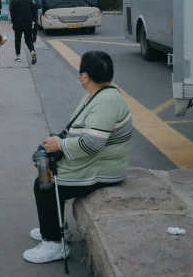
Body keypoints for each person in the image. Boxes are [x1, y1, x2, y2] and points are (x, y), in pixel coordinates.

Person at [23, 51, 133, 264]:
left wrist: (61, 144)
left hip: (104, 168)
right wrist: (58, 141)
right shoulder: (99, 93)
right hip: (97, 161)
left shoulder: (105, 101)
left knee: (45, 184)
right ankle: (56, 228)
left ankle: (54, 244)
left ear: (85, 76)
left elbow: (93, 143)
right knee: (47, 174)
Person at [10, 0, 37, 64]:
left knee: (17, 40)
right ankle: (32, 52)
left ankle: (18, 56)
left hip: (18, 23)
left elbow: (12, 15)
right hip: (28, 23)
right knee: (28, 40)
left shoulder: (13, 2)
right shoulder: (29, 0)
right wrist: (34, 21)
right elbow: (34, 12)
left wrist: (13, 24)